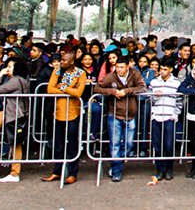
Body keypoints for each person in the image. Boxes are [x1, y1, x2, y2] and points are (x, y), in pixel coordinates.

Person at [94, 53, 147, 182]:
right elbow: (97, 87)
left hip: (131, 114)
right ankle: (117, 169)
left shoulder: (135, 74)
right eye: (117, 67)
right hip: (114, 114)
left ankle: (117, 163)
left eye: (122, 67)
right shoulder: (111, 77)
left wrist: (127, 91)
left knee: (129, 144)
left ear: (128, 67)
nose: (119, 70)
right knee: (115, 143)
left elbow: (142, 87)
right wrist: (112, 92)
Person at [42, 50, 85, 185]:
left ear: (72, 61)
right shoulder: (58, 71)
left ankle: (73, 173)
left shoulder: (80, 73)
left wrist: (63, 87)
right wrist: (68, 90)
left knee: (72, 144)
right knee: (58, 145)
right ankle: (57, 171)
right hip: (58, 112)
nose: (62, 62)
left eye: (64, 61)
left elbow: (78, 92)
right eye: (61, 60)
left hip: (73, 113)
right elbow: (50, 89)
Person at [148, 57, 182, 182]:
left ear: (171, 70)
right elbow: (149, 99)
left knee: (169, 144)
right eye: (161, 69)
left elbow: (179, 101)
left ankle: (169, 169)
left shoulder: (176, 84)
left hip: (169, 116)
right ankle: (159, 169)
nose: (162, 71)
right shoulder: (154, 82)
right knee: (157, 145)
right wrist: (155, 97)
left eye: (165, 69)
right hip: (156, 115)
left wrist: (175, 114)